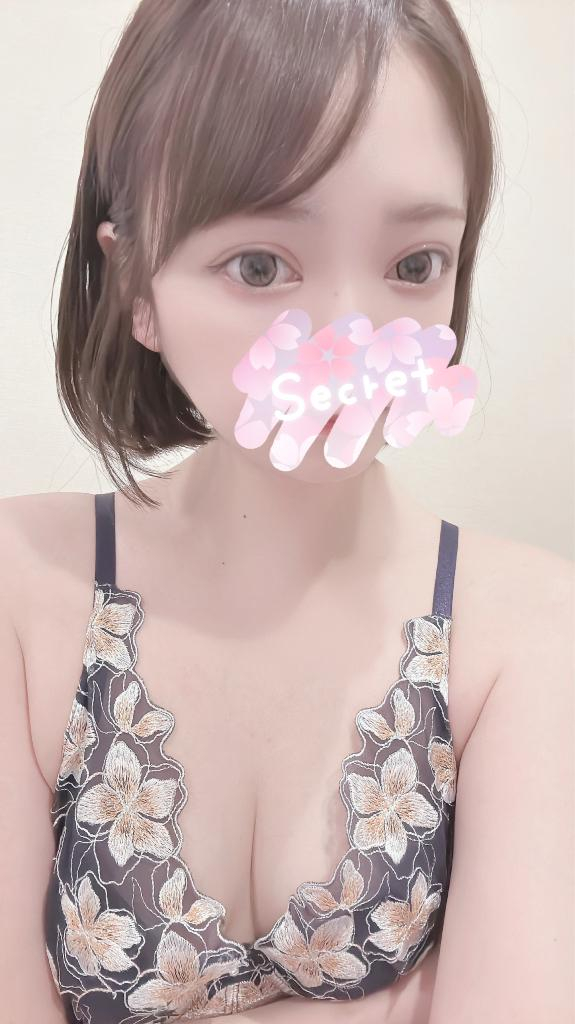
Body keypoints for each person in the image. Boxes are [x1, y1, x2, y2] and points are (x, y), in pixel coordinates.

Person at [1, 1, 572, 1022]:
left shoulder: (534, 630)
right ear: (135, 284)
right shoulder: (19, 590)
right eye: (260, 266)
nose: (350, 333)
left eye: (414, 264)